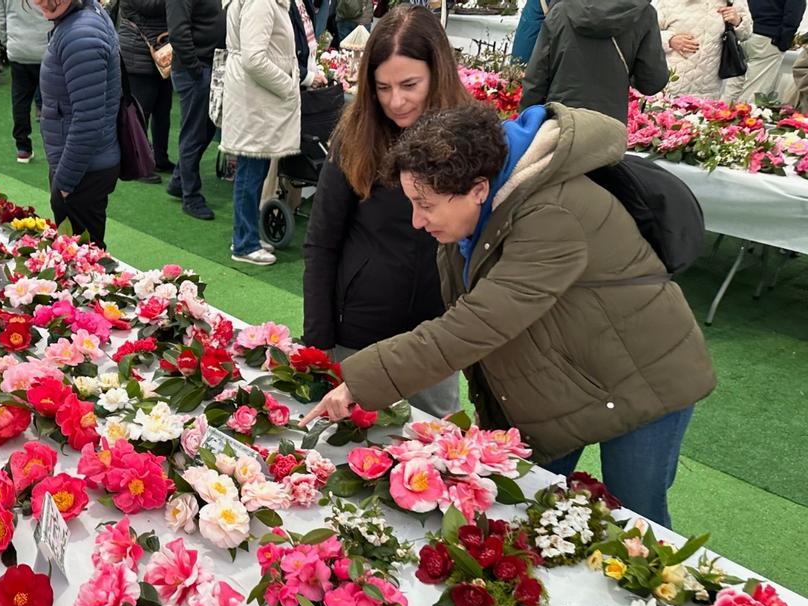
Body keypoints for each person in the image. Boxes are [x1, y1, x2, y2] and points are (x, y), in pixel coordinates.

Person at [302, 103, 716, 527]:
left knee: (636, 519)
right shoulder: (476, 211)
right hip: (569, 375)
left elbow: (477, 323)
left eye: (425, 205)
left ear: (478, 188)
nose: (416, 220)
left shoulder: (552, 214)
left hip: (647, 377)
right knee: (527, 506)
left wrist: (361, 381)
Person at [301, 6, 465, 418]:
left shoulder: (469, 138)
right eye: (382, 87)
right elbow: (321, 241)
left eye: (410, 84)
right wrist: (317, 338)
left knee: (435, 458)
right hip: (359, 331)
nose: (396, 101)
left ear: (437, 73)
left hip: (435, 339)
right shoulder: (355, 136)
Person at [220, 0, 300, 266]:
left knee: (253, 169)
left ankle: (247, 237)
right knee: (251, 171)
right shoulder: (262, 2)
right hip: (256, 98)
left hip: (256, 97)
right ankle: (244, 243)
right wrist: (287, 86)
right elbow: (254, 58)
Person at [37, 0, 123, 248]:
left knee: (83, 265)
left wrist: (64, 185)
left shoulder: (80, 34)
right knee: (84, 260)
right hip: (82, 167)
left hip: (82, 170)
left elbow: (88, 121)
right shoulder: (82, 18)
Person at [521, 0, 669, 124]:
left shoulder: (561, 10)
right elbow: (652, 81)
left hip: (561, 122)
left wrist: (528, 123)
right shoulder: (643, 13)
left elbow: (536, 79)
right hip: (610, 128)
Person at [165, 0, 226, 220]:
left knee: (205, 131)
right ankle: (190, 196)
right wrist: (196, 70)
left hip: (211, 66)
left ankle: (180, 180)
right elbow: (178, 32)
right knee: (194, 133)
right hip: (196, 70)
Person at [116, 0, 176, 176]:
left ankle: (159, 158)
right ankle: (139, 162)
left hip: (160, 49)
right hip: (139, 52)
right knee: (142, 112)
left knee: (163, 111)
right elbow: (148, 6)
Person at [656, 0, 751, 99]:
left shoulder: (733, 2)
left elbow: (746, 33)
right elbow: (647, 34)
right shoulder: (668, 2)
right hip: (670, 83)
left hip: (710, 87)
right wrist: (670, 40)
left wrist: (738, 21)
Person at [0, 0, 51, 162]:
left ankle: (23, 148)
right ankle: (54, 148)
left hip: (18, 48)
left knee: (20, 101)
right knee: (54, 101)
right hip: (47, 48)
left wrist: (8, 42)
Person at [724, 0, 806, 103]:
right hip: (768, 38)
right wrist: (784, 42)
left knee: (734, 85)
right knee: (755, 91)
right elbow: (793, 14)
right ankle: (742, 115)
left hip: (744, 32)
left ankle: (720, 114)